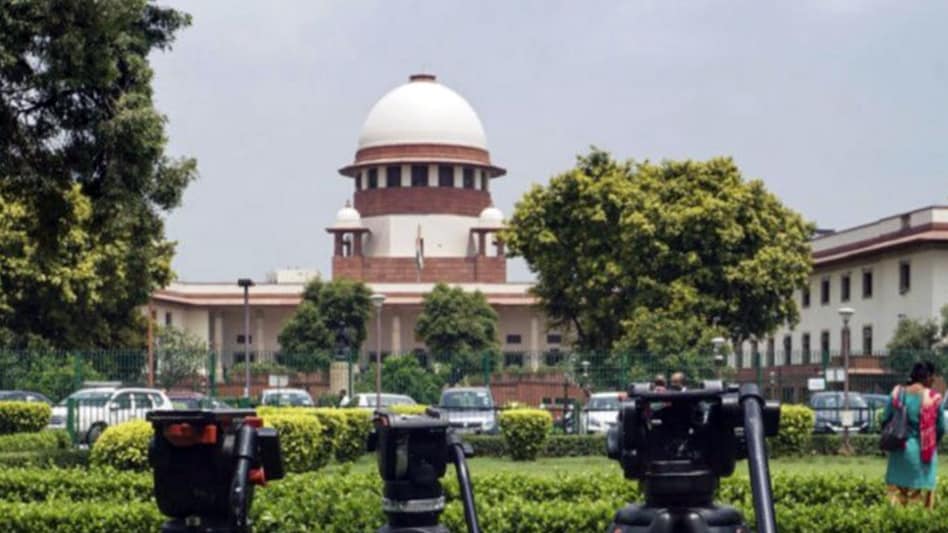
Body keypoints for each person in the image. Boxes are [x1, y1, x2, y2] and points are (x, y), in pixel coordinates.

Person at [883, 361, 944, 508]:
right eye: (933, 378)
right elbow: (941, 427)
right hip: (923, 458)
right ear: (927, 377)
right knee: (921, 512)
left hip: (899, 454)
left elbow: (885, 420)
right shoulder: (934, 398)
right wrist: (933, 441)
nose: (933, 382)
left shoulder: (897, 394)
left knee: (897, 510)